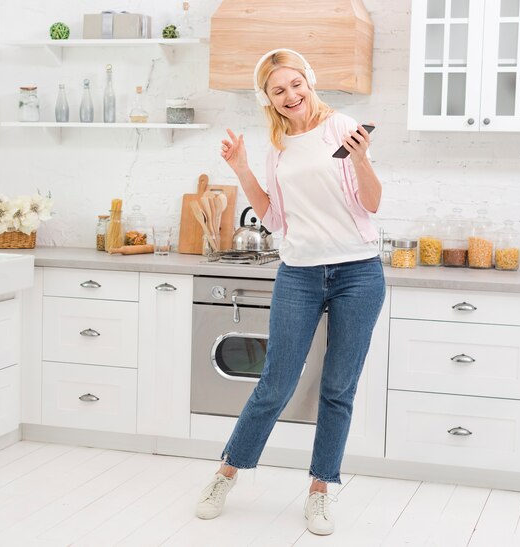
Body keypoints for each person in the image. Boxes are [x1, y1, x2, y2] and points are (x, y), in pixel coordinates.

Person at [196, 48, 385, 536]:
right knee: (275, 383)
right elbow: (275, 217)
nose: (290, 95)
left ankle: (320, 491)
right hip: (299, 272)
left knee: (337, 389)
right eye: (278, 90)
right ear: (268, 99)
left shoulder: (340, 128)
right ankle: (226, 473)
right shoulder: (277, 147)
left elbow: (372, 202)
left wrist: (362, 160)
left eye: (295, 84)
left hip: (357, 272)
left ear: (309, 82)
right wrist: (240, 168)